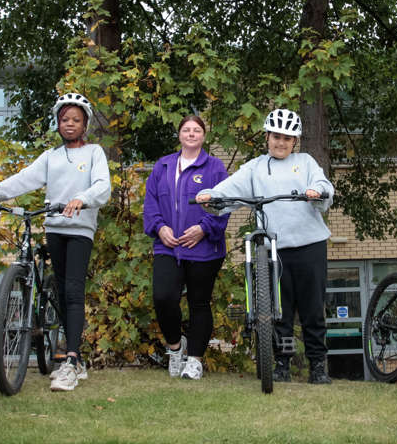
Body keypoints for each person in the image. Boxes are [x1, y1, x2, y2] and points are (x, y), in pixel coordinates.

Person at [0, 93, 111, 392]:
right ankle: (72, 354)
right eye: (65, 120)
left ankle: (71, 361)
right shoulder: (51, 156)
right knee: (60, 291)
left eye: (76, 120)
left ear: (85, 124)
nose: (70, 124)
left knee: (73, 291)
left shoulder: (94, 153)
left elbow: (103, 186)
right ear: (58, 124)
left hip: (80, 231)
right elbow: (24, 179)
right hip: (55, 228)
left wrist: (82, 198)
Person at [195, 108, 335, 384]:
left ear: (294, 141)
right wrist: (212, 195)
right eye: (276, 137)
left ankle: (318, 366)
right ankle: (281, 364)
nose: (281, 143)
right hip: (274, 249)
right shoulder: (256, 167)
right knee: (279, 310)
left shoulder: (305, 162)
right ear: (267, 137)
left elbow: (322, 184)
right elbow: (230, 187)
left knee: (312, 309)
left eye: (287, 138)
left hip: (310, 245)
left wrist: (316, 191)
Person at [143, 115, 230, 380]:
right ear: (179, 135)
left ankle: (194, 361)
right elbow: (151, 202)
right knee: (163, 297)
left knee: (199, 303)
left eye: (196, 130)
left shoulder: (215, 168)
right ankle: (175, 348)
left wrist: (203, 228)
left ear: (203, 136)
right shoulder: (163, 166)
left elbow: (224, 203)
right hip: (168, 246)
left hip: (204, 248)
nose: (191, 134)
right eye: (186, 130)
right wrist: (160, 228)